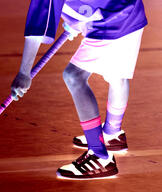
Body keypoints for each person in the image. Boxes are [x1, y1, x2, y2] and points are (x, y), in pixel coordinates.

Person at [11, 0, 147, 179]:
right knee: (117, 75)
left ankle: (99, 156)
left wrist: (23, 73)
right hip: (131, 10)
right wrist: (80, 20)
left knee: (74, 76)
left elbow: (38, 28)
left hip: (112, 21)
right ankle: (112, 135)